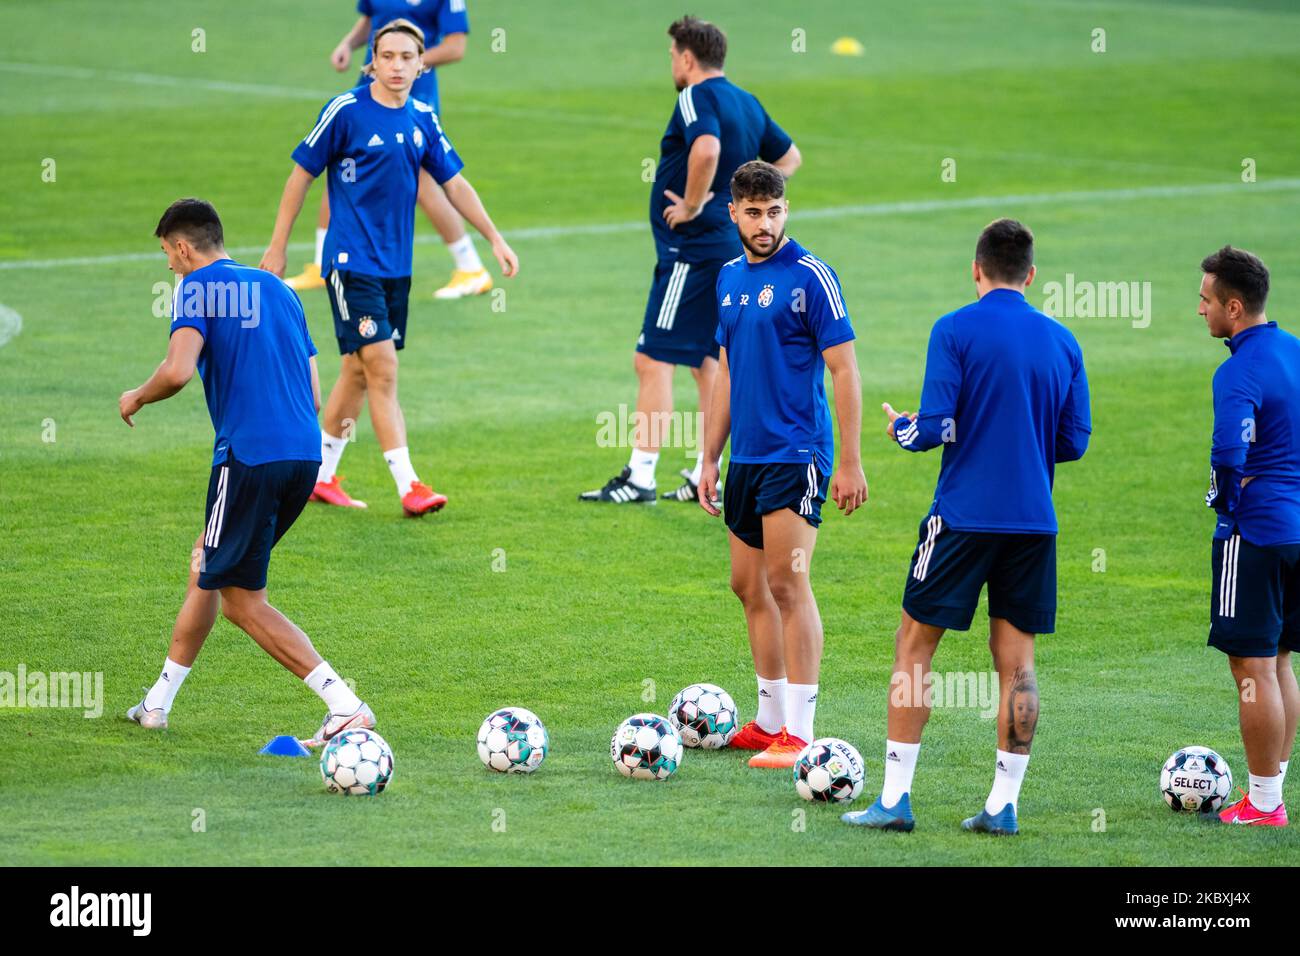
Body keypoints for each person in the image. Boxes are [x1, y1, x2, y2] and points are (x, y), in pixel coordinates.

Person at [843, 219, 1090, 835]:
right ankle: (1003, 805)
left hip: (961, 518)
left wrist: (903, 428)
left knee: (914, 644)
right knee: (1017, 661)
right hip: (1034, 522)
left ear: (975, 270)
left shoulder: (953, 329)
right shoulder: (1063, 342)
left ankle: (896, 799)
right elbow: (1074, 441)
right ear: (1030, 275)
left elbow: (935, 426)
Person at [120, 198, 375, 746]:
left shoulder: (196, 288)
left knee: (239, 599)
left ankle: (344, 703)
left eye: (167, 253)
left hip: (249, 458)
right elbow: (310, 389)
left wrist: (137, 397)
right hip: (304, 457)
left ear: (184, 247)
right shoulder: (279, 289)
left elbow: (178, 370)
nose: (169, 265)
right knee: (206, 565)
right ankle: (157, 704)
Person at [261, 18, 518, 514]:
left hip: (396, 268)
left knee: (358, 372)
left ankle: (319, 474)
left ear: (422, 65)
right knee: (383, 367)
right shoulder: (345, 111)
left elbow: (455, 185)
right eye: (388, 57)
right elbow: (301, 176)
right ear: (371, 62)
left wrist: (495, 239)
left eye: (407, 58)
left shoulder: (423, 117)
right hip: (348, 262)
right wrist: (279, 246)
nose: (397, 66)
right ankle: (409, 486)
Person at [580, 15, 801, 505]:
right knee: (707, 362)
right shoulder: (746, 101)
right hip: (724, 251)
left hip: (691, 253)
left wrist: (696, 203)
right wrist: (745, 196)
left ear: (686, 57)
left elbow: (706, 148)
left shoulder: (693, 97)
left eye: (672, 56)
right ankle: (710, 473)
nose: (672, 66)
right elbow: (789, 159)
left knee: (652, 357)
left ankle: (640, 476)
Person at [698, 160, 867, 769]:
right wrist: (709, 456)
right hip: (744, 457)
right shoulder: (727, 278)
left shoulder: (811, 276)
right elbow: (726, 372)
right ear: (734, 213)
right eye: (753, 213)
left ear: (785, 210)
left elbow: (844, 369)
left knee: (787, 584)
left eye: (774, 212)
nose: (765, 224)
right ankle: (770, 719)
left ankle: (802, 731)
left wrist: (849, 461)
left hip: (797, 455)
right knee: (747, 585)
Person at [284, 0, 492, 300]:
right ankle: (321, 264)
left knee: (421, 180)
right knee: (342, 165)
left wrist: (404, 63)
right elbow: (371, 21)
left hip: (412, 94)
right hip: (370, 87)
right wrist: (348, 43)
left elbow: (456, 47)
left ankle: (471, 267)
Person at [1200, 245, 1297, 826]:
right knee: (1282, 660)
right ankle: (1269, 793)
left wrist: (1223, 500)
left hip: (1256, 531)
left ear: (1235, 307)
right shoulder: (1296, 352)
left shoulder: (1237, 370)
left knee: (1252, 668)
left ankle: (1264, 804)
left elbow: (1229, 456)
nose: (1200, 310)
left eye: (1207, 300)